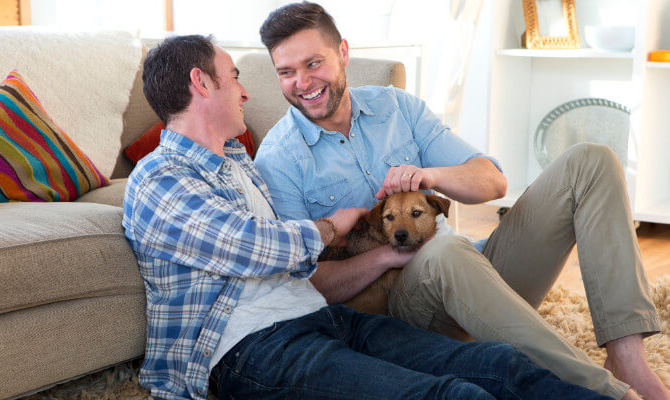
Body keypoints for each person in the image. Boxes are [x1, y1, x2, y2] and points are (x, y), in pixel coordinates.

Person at [122, 34, 616, 400]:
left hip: (320, 318)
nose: (245, 93)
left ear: (342, 53)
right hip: (246, 351)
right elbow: (257, 247)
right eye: (234, 78)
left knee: (501, 365)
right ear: (200, 83)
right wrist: (336, 224)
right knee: (453, 395)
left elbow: (492, 181)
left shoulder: (237, 164)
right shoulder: (160, 177)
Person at [254, 3, 668, 400]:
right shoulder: (279, 160)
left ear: (343, 52)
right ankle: (603, 392)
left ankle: (626, 359)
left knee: (590, 160)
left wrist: (431, 175)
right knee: (444, 248)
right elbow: (301, 288)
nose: (302, 83)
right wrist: (389, 258)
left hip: (477, 275)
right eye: (286, 72)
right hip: (407, 317)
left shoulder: (396, 107)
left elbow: (492, 180)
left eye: (313, 63)